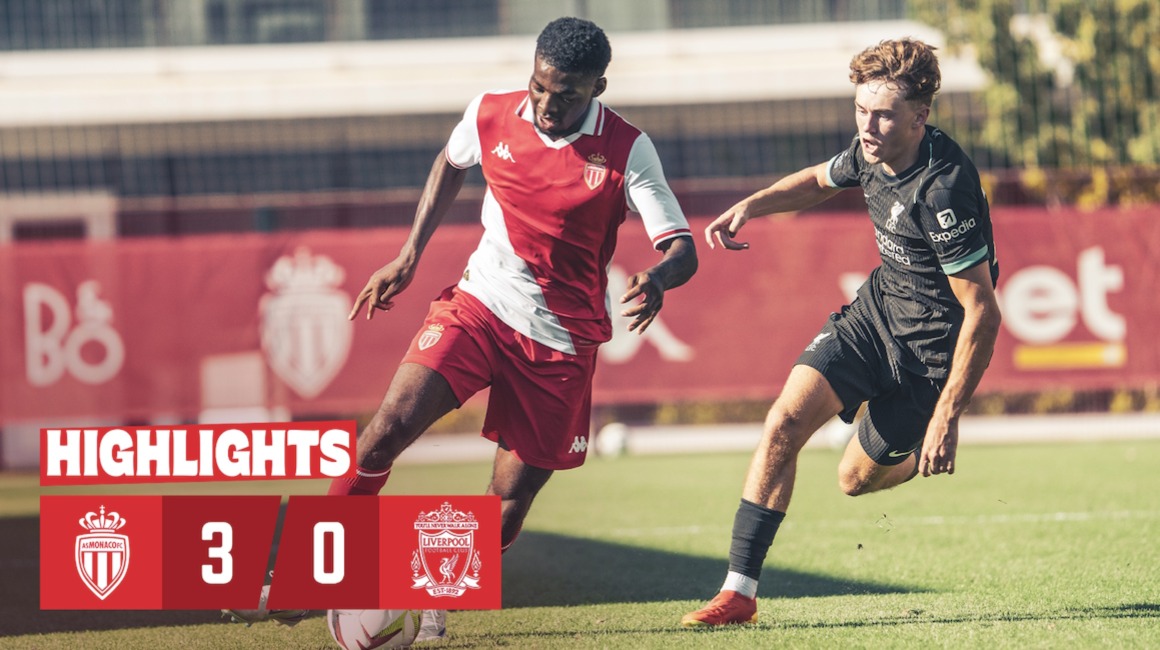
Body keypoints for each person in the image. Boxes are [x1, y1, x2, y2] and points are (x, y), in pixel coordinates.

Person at [226, 15, 697, 635]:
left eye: (566, 95)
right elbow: (451, 163)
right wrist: (409, 254)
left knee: (506, 505)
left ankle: (426, 596)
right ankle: (308, 578)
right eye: (539, 86)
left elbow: (682, 247)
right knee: (383, 432)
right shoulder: (490, 114)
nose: (547, 104)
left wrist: (658, 278)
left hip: (560, 342)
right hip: (478, 306)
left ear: (597, 88)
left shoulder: (627, 148)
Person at [680, 38, 1001, 627]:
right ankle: (738, 593)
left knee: (852, 480)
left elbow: (982, 310)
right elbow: (818, 180)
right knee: (784, 422)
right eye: (860, 110)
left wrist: (946, 416)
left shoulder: (943, 189)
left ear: (920, 116)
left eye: (883, 115)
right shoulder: (871, 150)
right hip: (873, 320)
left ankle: (909, 453)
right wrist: (753, 204)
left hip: (929, 357)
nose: (867, 127)